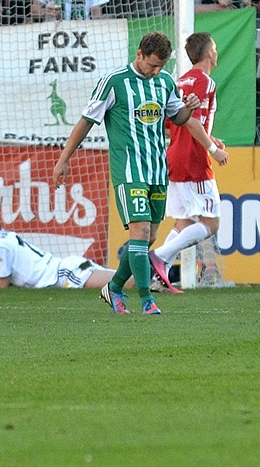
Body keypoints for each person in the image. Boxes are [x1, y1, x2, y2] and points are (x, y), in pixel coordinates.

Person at [53, 31, 201, 315]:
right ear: (139, 55)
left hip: (157, 169)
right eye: (151, 64)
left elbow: (177, 117)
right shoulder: (115, 82)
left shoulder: (165, 82)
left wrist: (187, 108)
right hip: (128, 170)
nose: (155, 70)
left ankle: (114, 287)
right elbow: (86, 122)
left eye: (160, 66)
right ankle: (147, 299)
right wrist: (64, 159)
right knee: (141, 230)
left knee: (147, 239)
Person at [149, 32, 228, 291]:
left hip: (174, 156)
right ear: (208, 53)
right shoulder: (205, 82)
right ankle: (160, 255)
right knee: (210, 223)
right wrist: (210, 149)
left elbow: (174, 126)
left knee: (183, 224)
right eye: (214, 48)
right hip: (193, 159)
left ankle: (158, 279)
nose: (216, 52)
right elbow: (192, 121)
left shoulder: (179, 81)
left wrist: (209, 137)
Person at [0, 211, 114, 290]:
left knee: (128, 283)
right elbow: (4, 277)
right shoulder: (6, 237)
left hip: (64, 275)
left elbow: (2, 284)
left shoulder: (0, 246)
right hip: (67, 269)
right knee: (124, 280)